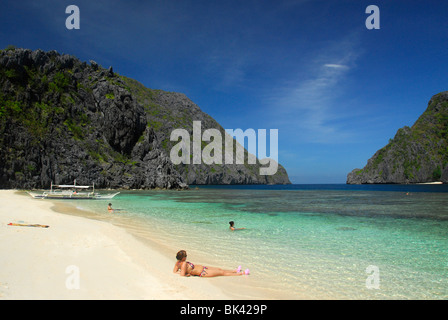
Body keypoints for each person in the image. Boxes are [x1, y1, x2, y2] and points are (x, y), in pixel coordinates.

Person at [173, 250, 249, 277]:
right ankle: (242, 273)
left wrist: (180, 272)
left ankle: (235, 271)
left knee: (219, 269)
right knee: (221, 273)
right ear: (183, 257)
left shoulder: (178, 262)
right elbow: (182, 275)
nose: (186, 257)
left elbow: (174, 272)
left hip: (203, 268)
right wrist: (186, 274)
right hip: (203, 273)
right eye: (185, 256)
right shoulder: (183, 264)